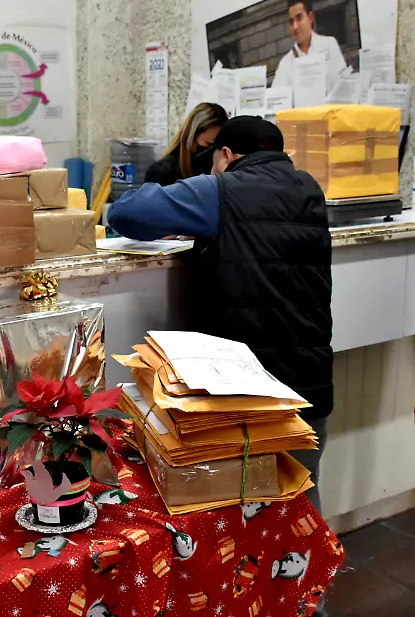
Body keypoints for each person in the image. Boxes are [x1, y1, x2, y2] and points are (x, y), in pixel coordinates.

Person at [107, 116, 334, 511]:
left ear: (226, 155)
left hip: (242, 389)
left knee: (235, 509)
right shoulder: (308, 189)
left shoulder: (220, 190)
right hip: (308, 382)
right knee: (300, 500)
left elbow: (126, 213)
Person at [271, 0, 347, 94]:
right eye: (291, 21)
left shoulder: (329, 44)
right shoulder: (285, 64)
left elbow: (343, 84)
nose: (295, 26)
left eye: (299, 18)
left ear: (310, 18)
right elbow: (276, 98)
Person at [144, 103, 228, 187]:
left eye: (219, 146)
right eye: (209, 144)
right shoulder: (162, 173)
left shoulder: (215, 170)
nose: (214, 152)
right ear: (191, 137)